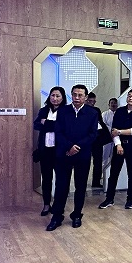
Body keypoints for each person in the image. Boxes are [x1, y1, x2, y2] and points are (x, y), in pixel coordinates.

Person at [46, 84, 100, 231]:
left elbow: (93, 134)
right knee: (61, 186)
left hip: (82, 155)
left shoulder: (92, 113)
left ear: (86, 97)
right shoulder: (63, 111)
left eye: (80, 95)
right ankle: (57, 216)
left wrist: (77, 147)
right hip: (64, 154)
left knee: (80, 186)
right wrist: (69, 146)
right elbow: (58, 132)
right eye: (74, 94)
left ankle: (77, 215)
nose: (76, 97)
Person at [99, 90, 132, 209]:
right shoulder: (119, 111)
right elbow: (113, 130)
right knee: (114, 173)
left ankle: (130, 199)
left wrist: (119, 131)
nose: (131, 98)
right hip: (119, 145)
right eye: (129, 96)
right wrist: (118, 145)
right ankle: (109, 199)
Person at [33, 87, 67, 216]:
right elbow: (36, 125)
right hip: (45, 150)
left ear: (62, 98)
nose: (55, 98)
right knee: (46, 179)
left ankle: (58, 205)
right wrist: (52, 125)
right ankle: (46, 204)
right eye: (53, 95)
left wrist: (46, 123)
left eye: (58, 96)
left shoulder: (66, 111)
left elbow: (63, 128)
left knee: (60, 181)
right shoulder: (44, 110)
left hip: (59, 151)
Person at [87, 92, 106, 188]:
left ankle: (96, 181)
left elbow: (101, 122)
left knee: (98, 161)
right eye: (90, 101)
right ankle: (82, 182)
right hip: (86, 139)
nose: (92, 103)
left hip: (97, 138)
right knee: (85, 162)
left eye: (94, 101)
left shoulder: (96, 110)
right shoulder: (82, 110)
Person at [100, 97, 119, 187]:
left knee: (113, 157)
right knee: (105, 156)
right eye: (112, 103)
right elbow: (103, 125)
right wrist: (111, 131)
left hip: (116, 138)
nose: (113, 104)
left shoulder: (119, 114)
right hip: (107, 138)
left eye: (115, 103)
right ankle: (103, 174)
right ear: (109, 104)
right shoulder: (105, 114)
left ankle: (110, 174)